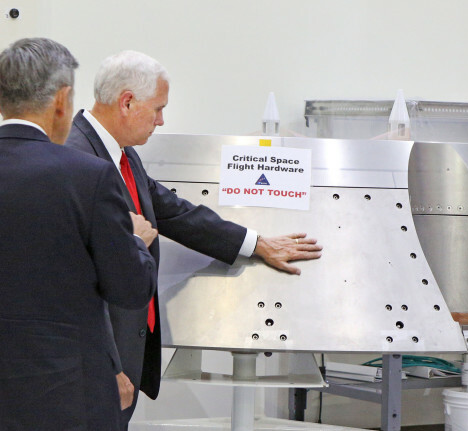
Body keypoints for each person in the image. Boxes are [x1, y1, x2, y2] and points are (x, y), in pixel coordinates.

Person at [64, 50, 323, 428]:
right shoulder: (76, 158)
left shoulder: (122, 155)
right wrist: (108, 365)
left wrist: (255, 243)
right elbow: (75, 280)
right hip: (97, 362)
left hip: (126, 349)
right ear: (127, 102)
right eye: (157, 109)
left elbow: (172, 211)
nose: (161, 120)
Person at [0, 38, 158, 431]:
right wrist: (135, 242)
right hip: (73, 404)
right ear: (62, 101)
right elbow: (129, 289)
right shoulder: (90, 178)